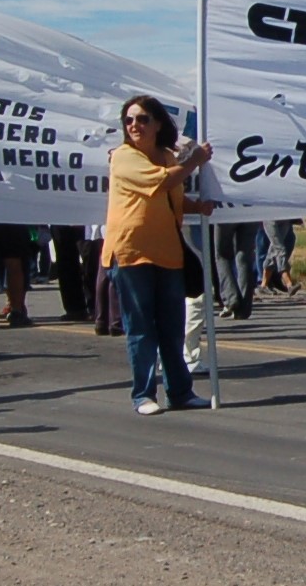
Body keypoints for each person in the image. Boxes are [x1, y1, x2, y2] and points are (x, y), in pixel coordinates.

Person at [106, 94, 215, 414]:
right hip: (132, 253)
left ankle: (180, 391)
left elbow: (173, 197)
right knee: (141, 328)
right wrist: (194, 160)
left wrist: (198, 206)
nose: (135, 125)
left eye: (142, 119)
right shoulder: (124, 157)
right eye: (129, 120)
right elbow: (160, 183)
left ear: (157, 124)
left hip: (168, 252)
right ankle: (143, 394)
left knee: (171, 326)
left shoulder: (169, 156)